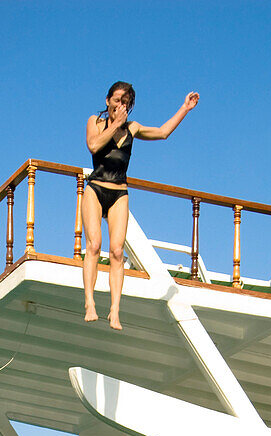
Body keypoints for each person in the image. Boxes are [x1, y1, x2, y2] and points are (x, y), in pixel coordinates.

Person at [83, 83, 200, 330]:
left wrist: (185, 108)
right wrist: (114, 124)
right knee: (94, 244)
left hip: (119, 192)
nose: (120, 106)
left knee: (116, 251)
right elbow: (93, 146)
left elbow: (163, 132)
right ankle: (90, 303)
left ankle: (114, 310)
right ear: (108, 101)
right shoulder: (95, 121)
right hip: (95, 188)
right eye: (117, 101)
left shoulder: (133, 128)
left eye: (125, 103)